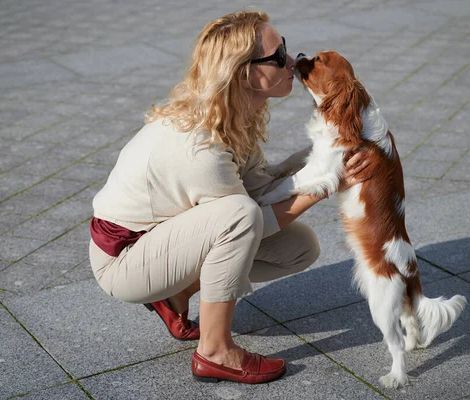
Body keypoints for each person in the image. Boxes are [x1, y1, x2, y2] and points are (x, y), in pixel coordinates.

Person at [89, 9, 372, 384]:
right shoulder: (199, 145)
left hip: (165, 238)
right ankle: (215, 351)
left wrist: (328, 154)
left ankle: (177, 293)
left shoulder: (234, 113)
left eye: (284, 47)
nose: (292, 61)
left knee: (301, 246)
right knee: (239, 216)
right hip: (124, 260)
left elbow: (260, 186)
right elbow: (247, 218)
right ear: (244, 73)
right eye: (277, 57)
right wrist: (323, 186)